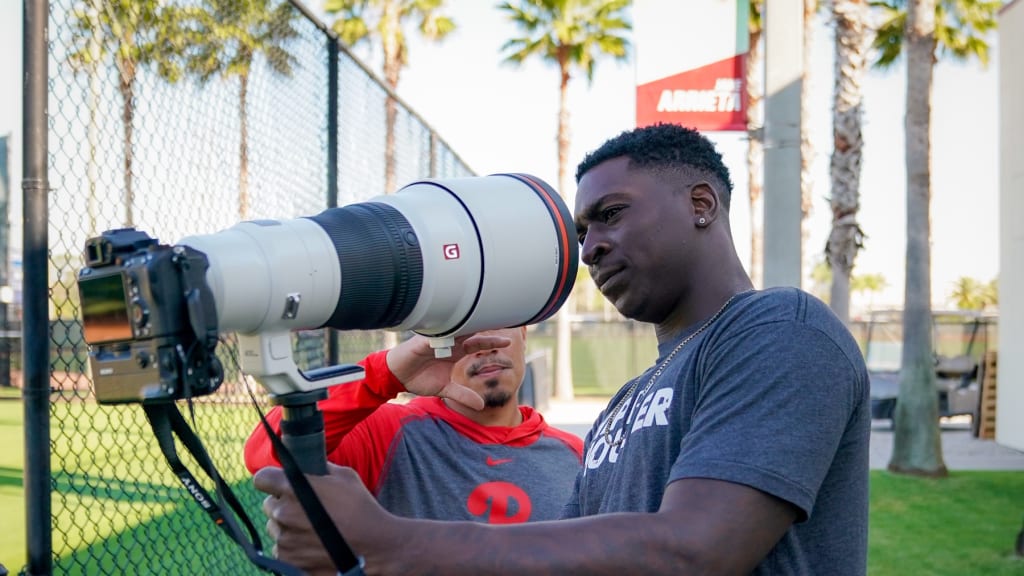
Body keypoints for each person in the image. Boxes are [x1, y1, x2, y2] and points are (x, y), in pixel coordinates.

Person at [253, 123, 871, 575]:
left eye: (611, 215)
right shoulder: (625, 405)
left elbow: (696, 549)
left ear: (701, 204)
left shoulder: (781, 328)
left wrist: (391, 543)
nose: (590, 247)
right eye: (581, 232)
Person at [245, 327, 583, 523]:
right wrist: (383, 375)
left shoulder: (579, 455)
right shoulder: (390, 431)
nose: (486, 345)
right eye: (465, 331)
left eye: (499, 323)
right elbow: (267, 454)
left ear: (523, 333)